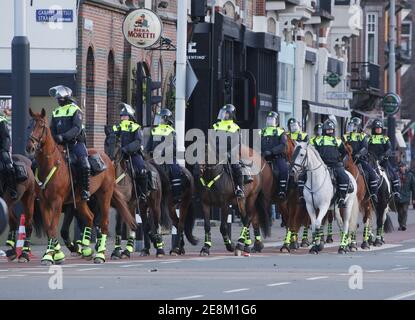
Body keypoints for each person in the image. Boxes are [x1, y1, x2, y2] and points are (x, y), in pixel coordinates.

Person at [49, 85, 90, 201]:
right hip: (60, 145)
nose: (58, 100)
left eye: (59, 98)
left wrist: (64, 136)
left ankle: (85, 190)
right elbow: (52, 128)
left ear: (66, 97)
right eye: (57, 98)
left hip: (76, 144)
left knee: (84, 164)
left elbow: (77, 128)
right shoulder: (56, 111)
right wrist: (55, 138)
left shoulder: (76, 110)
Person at [112, 103, 147, 199]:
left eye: (125, 116)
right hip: (119, 155)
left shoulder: (136, 127)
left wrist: (126, 149)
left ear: (130, 117)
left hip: (133, 154)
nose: (123, 118)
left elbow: (138, 142)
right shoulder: (117, 127)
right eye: (121, 116)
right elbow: (112, 138)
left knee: (141, 169)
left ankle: (142, 193)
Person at [146, 108, 183, 199]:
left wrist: (162, 152)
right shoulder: (154, 130)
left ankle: (176, 195)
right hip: (154, 158)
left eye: (161, 118)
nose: (159, 121)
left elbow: (173, 146)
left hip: (167, 158)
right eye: (159, 118)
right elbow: (149, 145)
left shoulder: (171, 131)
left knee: (176, 170)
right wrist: (145, 152)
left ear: (167, 120)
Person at [314, 119, 350, 208]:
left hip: (335, 165)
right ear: (324, 130)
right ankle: (303, 196)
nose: (330, 131)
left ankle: (341, 198)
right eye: (328, 130)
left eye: (331, 130)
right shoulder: (318, 140)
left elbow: (345, 153)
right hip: (321, 165)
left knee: (345, 178)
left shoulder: (337, 140)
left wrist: (341, 162)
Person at [343, 117, 379, 202]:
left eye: (354, 125)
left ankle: (373, 194)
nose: (352, 127)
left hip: (359, 159)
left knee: (372, 174)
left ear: (358, 126)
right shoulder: (346, 136)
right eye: (351, 125)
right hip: (347, 159)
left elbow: (365, 148)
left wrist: (358, 154)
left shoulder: (362, 136)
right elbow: (343, 146)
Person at [212, 104, 244, 198]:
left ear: (231, 115)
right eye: (223, 113)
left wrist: (229, 154)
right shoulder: (216, 126)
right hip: (216, 154)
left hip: (230, 154)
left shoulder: (235, 128)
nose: (224, 115)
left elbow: (237, 144)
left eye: (226, 114)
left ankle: (239, 188)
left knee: (237, 168)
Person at [368, 119, 401, 200]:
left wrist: (384, 155)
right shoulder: (370, 138)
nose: (378, 129)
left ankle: (396, 192)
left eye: (380, 128)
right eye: (376, 128)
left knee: (393, 174)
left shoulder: (385, 138)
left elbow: (389, 149)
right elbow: (367, 149)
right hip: (372, 161)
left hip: (383, 161)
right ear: (373, 129)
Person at [259, 111, 288, 199]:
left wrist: (272, 151)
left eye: (272, 119)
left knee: (284, 169)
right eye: (268, 119)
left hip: (276, 157)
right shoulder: (262, 131)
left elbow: (283, 145)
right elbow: (257, 143)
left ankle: (281, 191)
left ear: (276, 121)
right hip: (263, 157)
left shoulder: (281, 131)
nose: (270, 120)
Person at [0, 111, 17, 199]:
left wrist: (4, 150)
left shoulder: (1, 120)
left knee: (8, 166)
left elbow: (6, 137)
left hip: (1, 150)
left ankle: (13, 189)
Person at [396, 163, 415, 231]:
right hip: (398, 197)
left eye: (402, 167)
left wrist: (413, 198)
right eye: (400, 167)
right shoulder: (396, 175)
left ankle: (403, 225)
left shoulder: (410, 175)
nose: (401, 168)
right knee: (399, 212)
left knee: (404, 210)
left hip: (406, 196)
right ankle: (400, 225)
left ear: (405, 167)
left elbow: (413, 188)